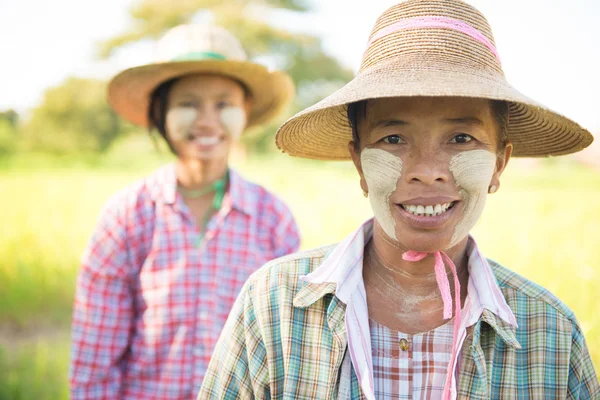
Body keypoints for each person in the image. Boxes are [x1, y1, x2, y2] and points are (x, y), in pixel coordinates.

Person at [198, 1, 599, 399]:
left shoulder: (549, 332)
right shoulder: (274, 304)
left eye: (462, 139)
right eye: (393, 139)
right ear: (359, 163)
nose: (427, 170)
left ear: (498, 164)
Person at [69, 24, 300, 399]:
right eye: (188, 103)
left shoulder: (272, 219)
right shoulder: (127, 216)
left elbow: (286, 350)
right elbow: (95, 358)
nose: (207, 120)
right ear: (160, 113)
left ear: (244, 112)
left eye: (223, 104)